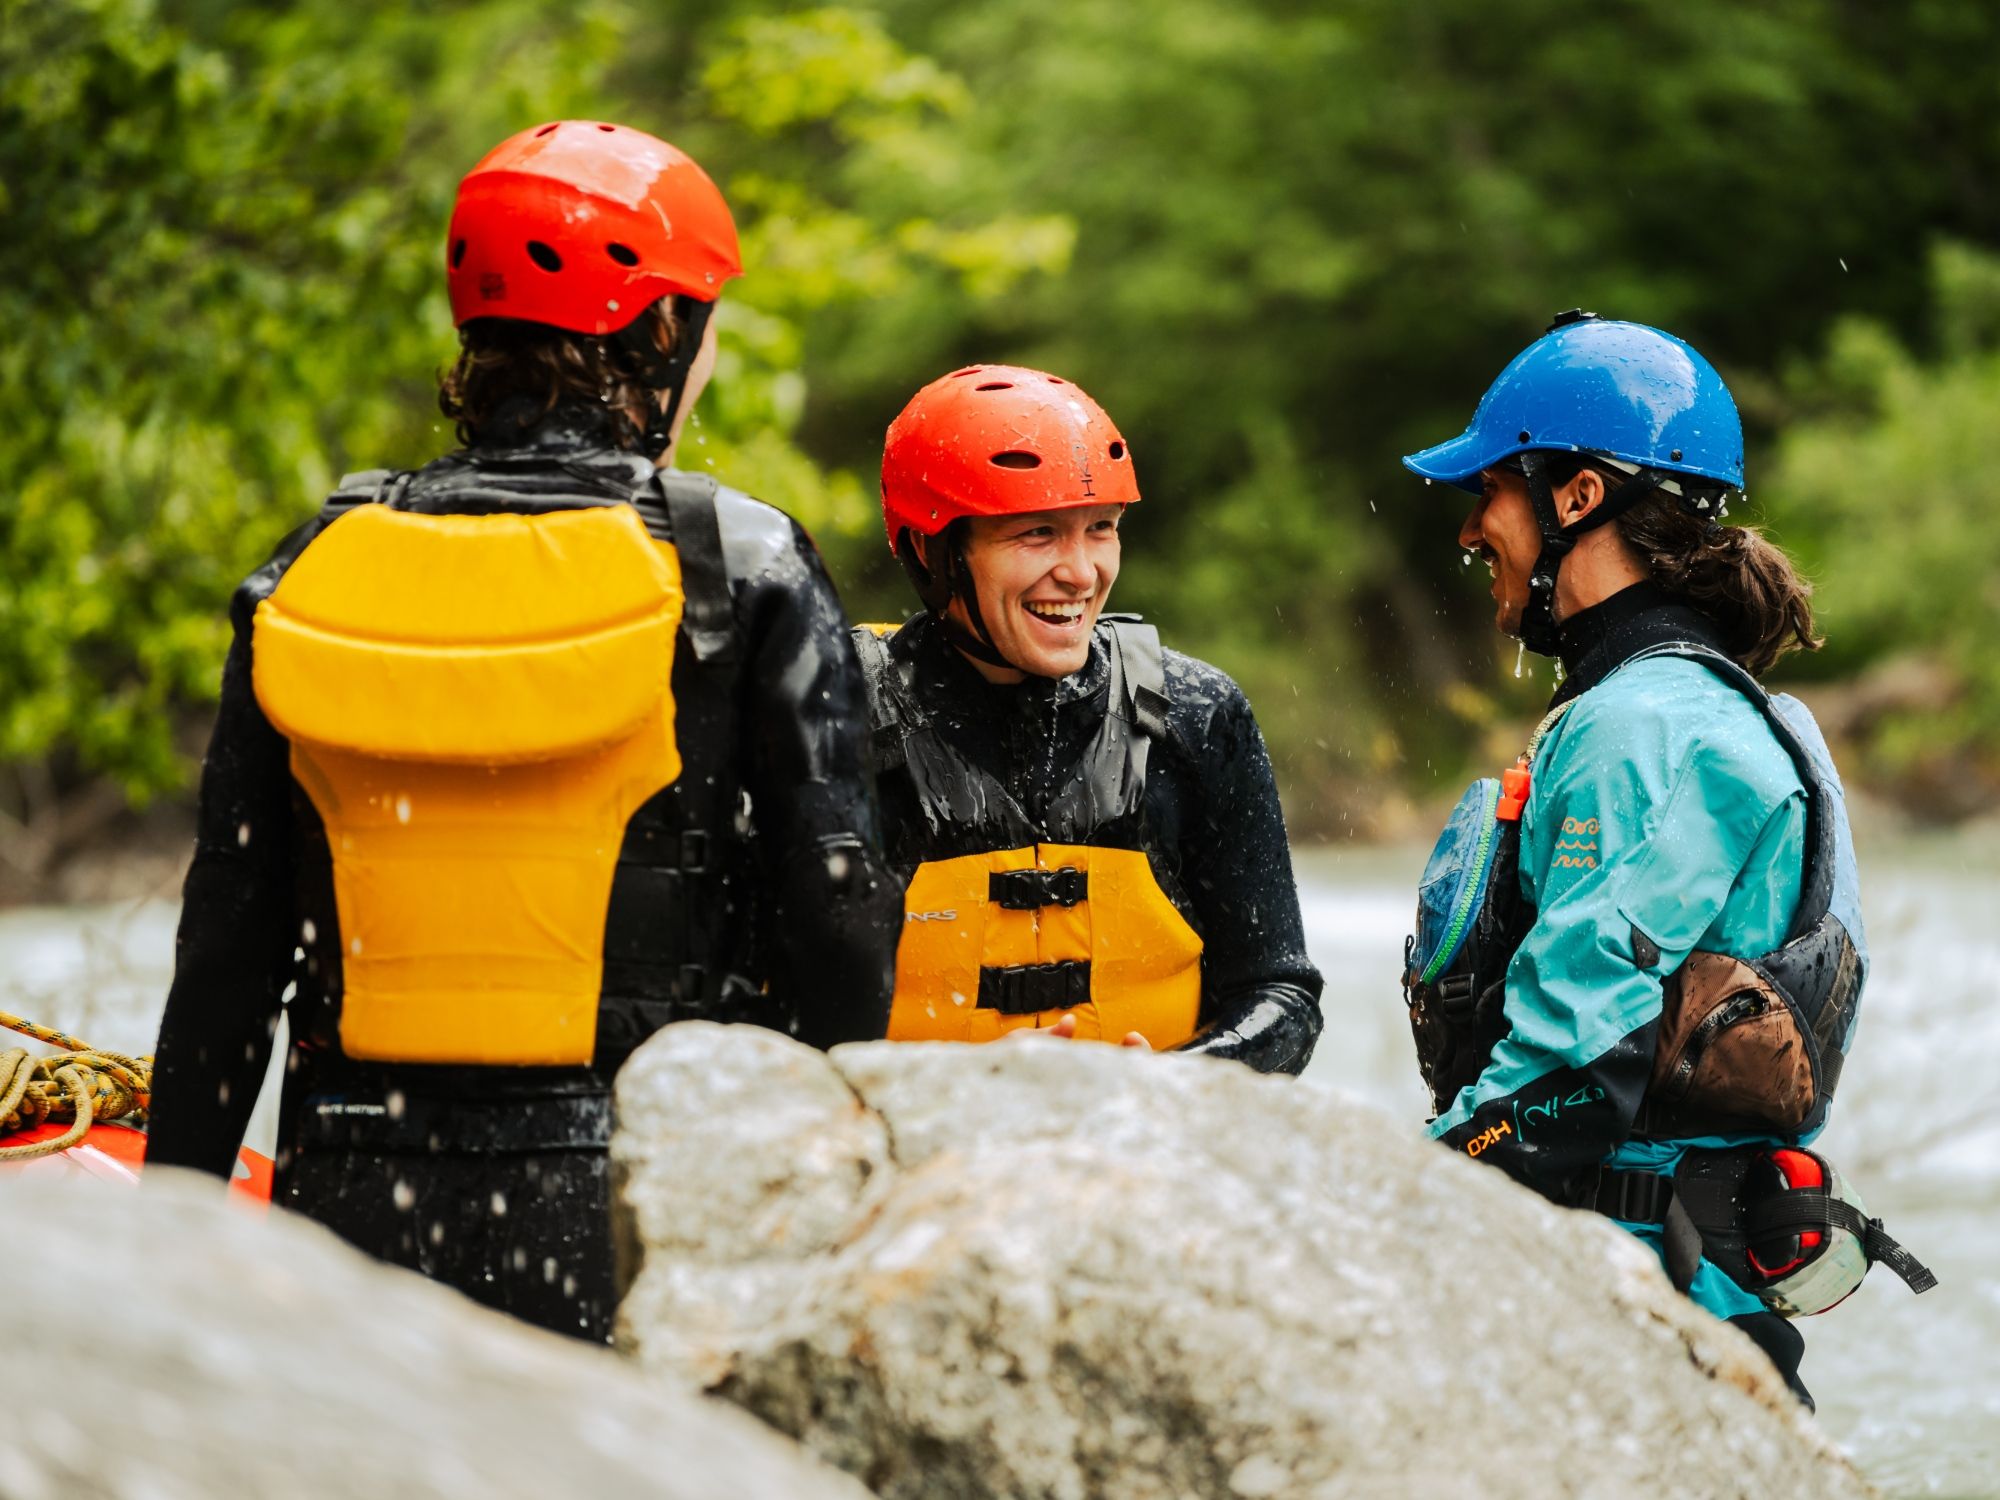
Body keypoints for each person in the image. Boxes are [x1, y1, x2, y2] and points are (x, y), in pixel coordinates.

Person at [146, 120, 900, 1341]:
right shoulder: (736, 563)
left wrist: (170, 1229)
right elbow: (839, 907)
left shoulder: (314, 568)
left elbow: (229, 950)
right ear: (660, 332)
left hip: (353, 1194)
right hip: (632, 1192)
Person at [1400, 311, 1933, 1406]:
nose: (1469, 531)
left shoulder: (1644, 729)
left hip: (1646, 1308)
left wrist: (1399, 1194)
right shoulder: (1685, 709)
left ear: (1575, 497)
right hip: (1682, 1289)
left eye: (1487, 493)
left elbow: (1568, 1077)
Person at [853, 365, 1322, 1070]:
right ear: (933, 551)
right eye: (1038, 534)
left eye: (1100, 529)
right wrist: (948, 1087)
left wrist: (1180, 1079)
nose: (1081, 573)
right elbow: (754, 1013)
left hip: (1142, 1154)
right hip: (919, 1149)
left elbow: (1281, 995)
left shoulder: (1198, 715)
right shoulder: (834, 718)